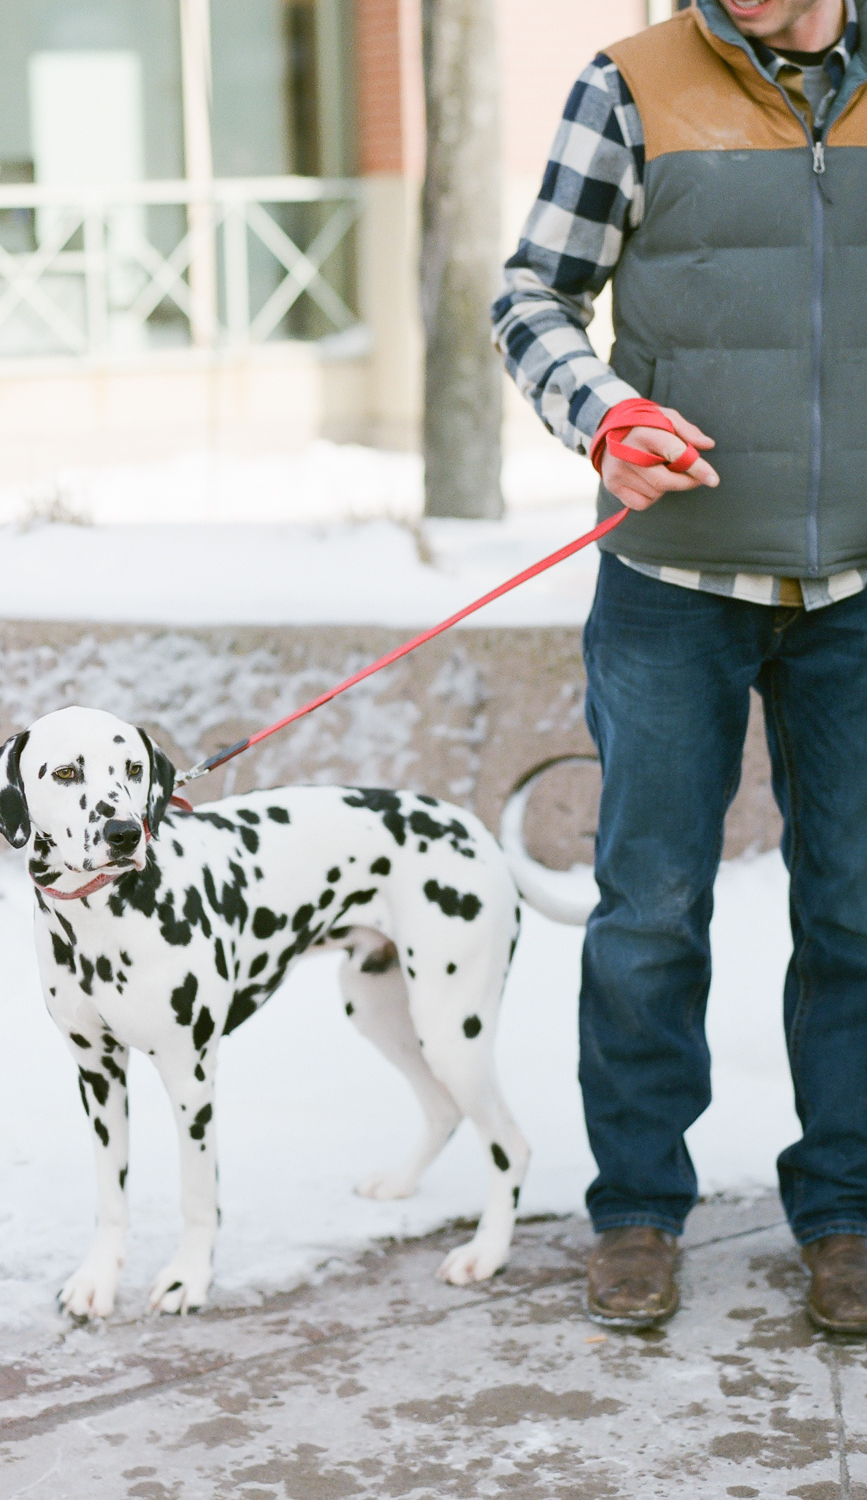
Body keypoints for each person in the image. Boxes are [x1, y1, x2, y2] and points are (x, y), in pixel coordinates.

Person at [493, 0, 867, 1332]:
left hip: (860, 591)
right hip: (673, 589)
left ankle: (851, 1211)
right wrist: (606, 418)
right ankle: (639, 1208)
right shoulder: (632, 83)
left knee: (859, 910)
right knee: (649, 910)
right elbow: (531, 294)